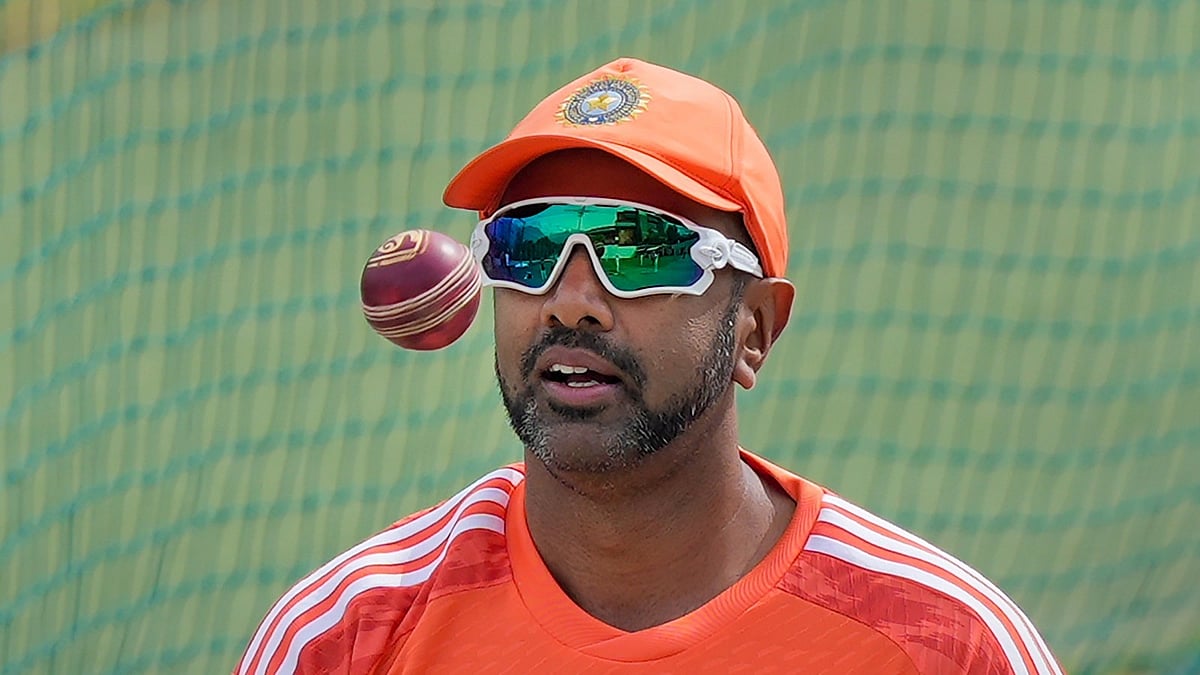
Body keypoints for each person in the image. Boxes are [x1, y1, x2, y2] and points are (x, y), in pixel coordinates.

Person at [235, 58, 1062, 674]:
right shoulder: (345, 636)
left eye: (643, 252)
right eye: (530, 246)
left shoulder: (946, 645)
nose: (570, 301)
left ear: (755, 330)